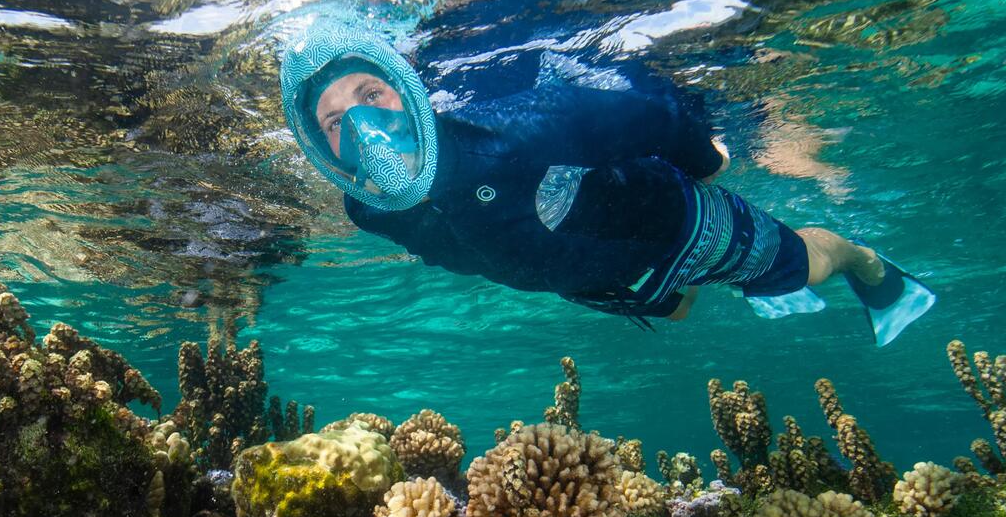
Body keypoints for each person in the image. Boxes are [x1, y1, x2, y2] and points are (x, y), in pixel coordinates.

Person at [277, 19, 934, 345]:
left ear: (409, 89)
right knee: (679, 310)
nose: (361, 126)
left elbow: (635, 115)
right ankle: (719, 289)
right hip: (585, 278)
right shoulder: (369, 209)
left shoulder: (511, 130)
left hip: (670, 225)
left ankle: (865, 264)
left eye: (370, 93)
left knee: (792, 269)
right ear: (323, 145)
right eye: (335, 121)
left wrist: (705, 162)